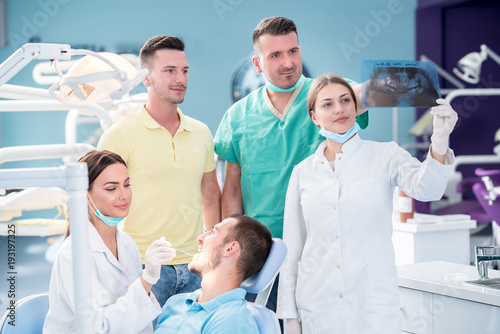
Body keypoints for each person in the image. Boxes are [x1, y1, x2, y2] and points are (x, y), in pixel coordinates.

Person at [276, 74, 458, 333]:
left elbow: (427, 189)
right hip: (318, 305)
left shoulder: (385, 155)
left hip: (372, 306)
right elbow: (293, 249)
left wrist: (439, 140)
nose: (339, 109)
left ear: (355, 107)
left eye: (345, 100)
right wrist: (290, 318)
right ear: (314, 117)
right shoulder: (303, 172)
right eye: (327, 104)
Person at [214, 16, 368, 312]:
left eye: (293, 51)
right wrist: (231, 253)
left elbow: (365, 95)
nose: (288, 62)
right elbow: (231, 189)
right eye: (275, 55)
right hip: (264, 253)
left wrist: (409, 83)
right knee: (266, 323)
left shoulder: (325, 96)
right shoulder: (237, 116)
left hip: (324, 245)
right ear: (257, 64)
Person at [98, 35, 221, 307]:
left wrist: (211, 259)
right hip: (141, 266)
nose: (181, 78)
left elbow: (211, 195)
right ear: (146, 78)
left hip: (193, 267)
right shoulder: (118, 136)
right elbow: (97, 206)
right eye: (169, 70)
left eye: (185, 70)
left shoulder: (201, 132)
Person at [44, 150, 176, 333]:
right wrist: (147, 280)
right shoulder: (74, 253)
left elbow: (138, 322)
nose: (124, 195)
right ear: (86, 196)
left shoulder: (127, 244)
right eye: (111, 188)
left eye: (127, 184)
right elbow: (98, 329)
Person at [154, 214, 273, 333]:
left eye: (212, 232)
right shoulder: (176, 303)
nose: (200, 237)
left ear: (230, 249)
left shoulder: (231, 321)